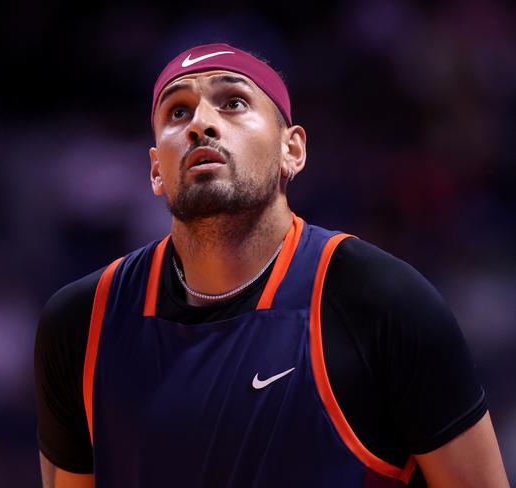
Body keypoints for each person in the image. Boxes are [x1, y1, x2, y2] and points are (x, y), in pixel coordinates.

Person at [34, 43, 509, 487]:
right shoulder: (82, 322)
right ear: (157, 170)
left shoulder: (381, 301)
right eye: (178, 112)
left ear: (292, 150)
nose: (201, 123)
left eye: (233, 103)